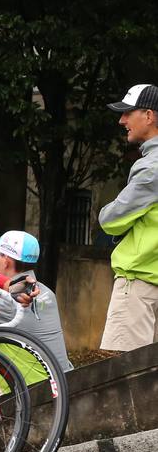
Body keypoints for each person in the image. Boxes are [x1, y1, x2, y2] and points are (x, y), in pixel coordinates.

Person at [98, 84, 158, 352]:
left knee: (122, 383)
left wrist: (105, 213)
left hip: (139, 286)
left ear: (148, 115)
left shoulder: (151, 167)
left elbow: (112, 219)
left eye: (127, 113)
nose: (122, 120)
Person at [0, 230, 73, 380]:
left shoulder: (5, 300)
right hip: (64, 382)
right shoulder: (46, 292)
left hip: (34, 394)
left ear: (6, 260)